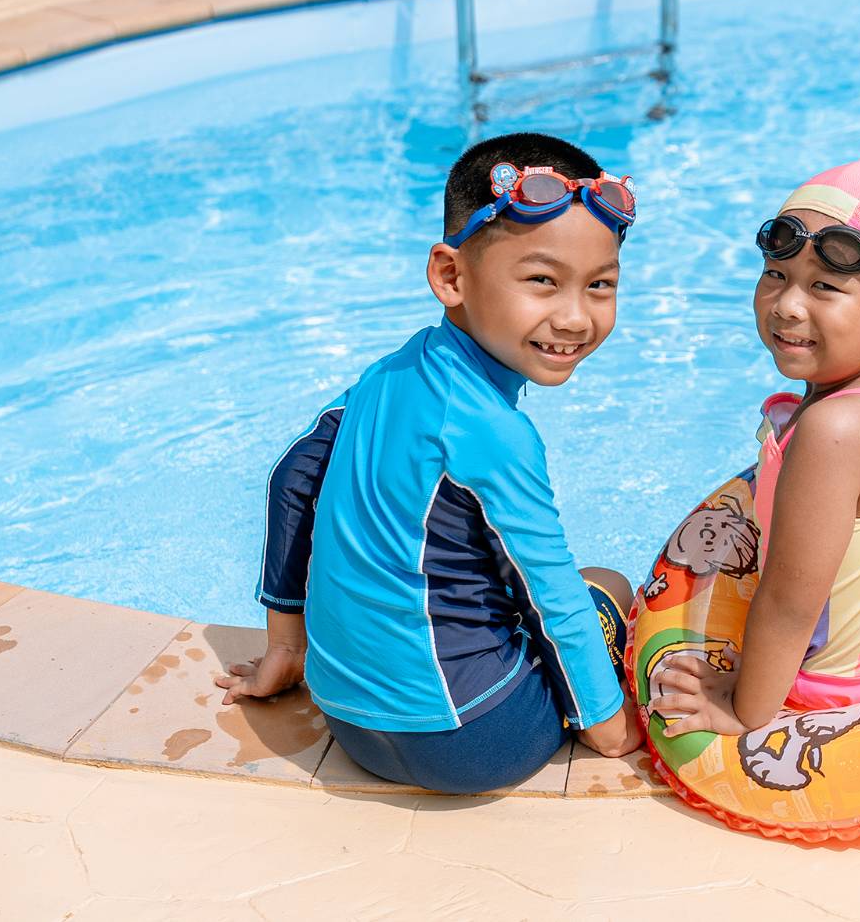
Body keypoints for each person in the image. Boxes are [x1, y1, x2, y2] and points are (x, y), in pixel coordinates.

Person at [215, 132, 644, 792]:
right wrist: (609, 727)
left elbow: (292, 479)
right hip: (476, 740)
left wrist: (287, 647)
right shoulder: (495, 431)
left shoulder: (386, 376)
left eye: (600, 285)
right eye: (542, 281)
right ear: (450, 276)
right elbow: (551, 596)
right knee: (606, 585)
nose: (574, 317)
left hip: (348, 722)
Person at [650, 158, 860, 736]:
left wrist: (743, 708)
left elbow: (790, 603)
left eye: (824, 287)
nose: (787, 305)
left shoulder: (836, 430)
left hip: (837, 685)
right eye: (776, 274)